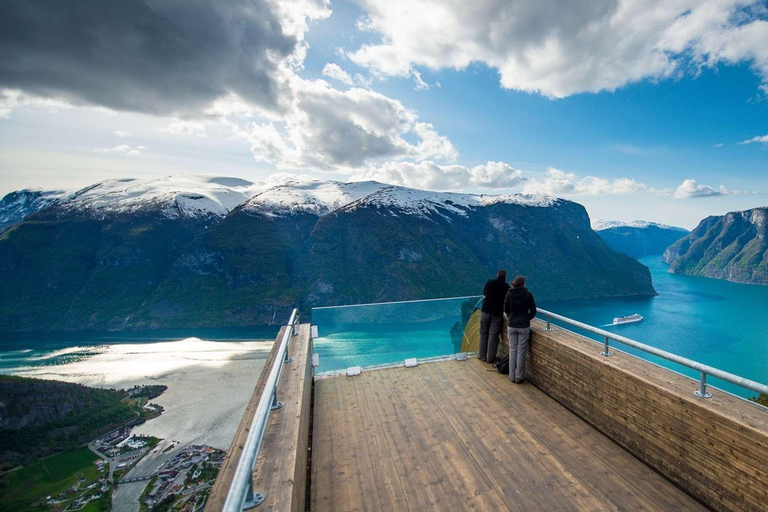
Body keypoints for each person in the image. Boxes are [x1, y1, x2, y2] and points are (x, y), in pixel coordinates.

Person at [504, 275, 537, 383]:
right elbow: (533, 310)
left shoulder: (509, 293)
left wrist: (510, 317)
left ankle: (512, 376)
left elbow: (506, 309)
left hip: (512, 325)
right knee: (521, 351)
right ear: (523, 284)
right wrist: (527, 318)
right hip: (523, 326)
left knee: (512, 350)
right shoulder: (528, 294)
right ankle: (519, 377)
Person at [479, 269, 509, 363]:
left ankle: (481, 355)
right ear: (505, 276)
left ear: (497, 275)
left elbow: (485, 293)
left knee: (483, 333)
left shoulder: (490, 282)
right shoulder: (506, 287)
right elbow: (507, 301)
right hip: (497, 313)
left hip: (485, 310)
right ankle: (490, 358)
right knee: (493, 336)